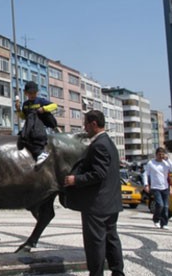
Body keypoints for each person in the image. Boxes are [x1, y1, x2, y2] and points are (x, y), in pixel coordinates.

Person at [64, 110, 125, 276]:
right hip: (111, 203)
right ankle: (118, 272)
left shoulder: (99, 145)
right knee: (111, 239)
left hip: (97, 206)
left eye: (86, 124)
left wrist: (75, 180)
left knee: (95, 244)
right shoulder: (109, 143)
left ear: (93, 124)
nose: (84, 127)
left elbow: (99, 174)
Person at [15, 81, 58, 165]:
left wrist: (44, 109)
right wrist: (18, 110)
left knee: (32, 134)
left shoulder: (40, 101)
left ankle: (41, 153)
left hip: (39, 124)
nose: (32, 95)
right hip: (30, 124)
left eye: (34, 93)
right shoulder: (25, 104)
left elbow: (54, 105)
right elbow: (24, 117)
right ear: (25, 93)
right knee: (22, 137)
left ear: (37, 92)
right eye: (30, 93)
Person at [143, 147, 171, 229]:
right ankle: (156, 220)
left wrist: (168, 160)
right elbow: (145, 174)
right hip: (155, 187)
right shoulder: (151, 163)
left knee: (166, 206)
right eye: (159, 154)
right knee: (160, 205)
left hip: (165, 187)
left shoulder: (166, 163)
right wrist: (146, 184)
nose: (161, 156)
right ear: (156, 155)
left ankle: (164, 223)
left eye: (162, 154)